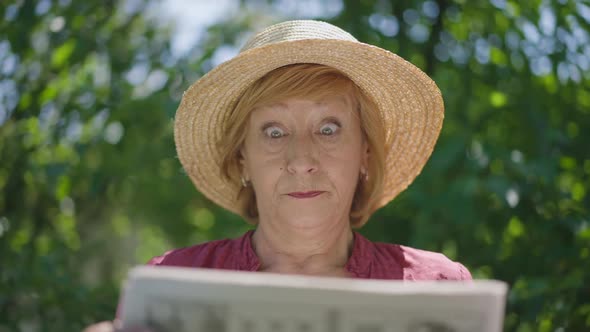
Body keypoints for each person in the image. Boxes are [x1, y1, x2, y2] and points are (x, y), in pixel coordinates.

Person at [85, 19, 471, 332]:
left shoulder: (437, 288)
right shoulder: (170, 285)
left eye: (328, 128)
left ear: (365, 153)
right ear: (242, 160)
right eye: (274, 132)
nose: (301, 159)